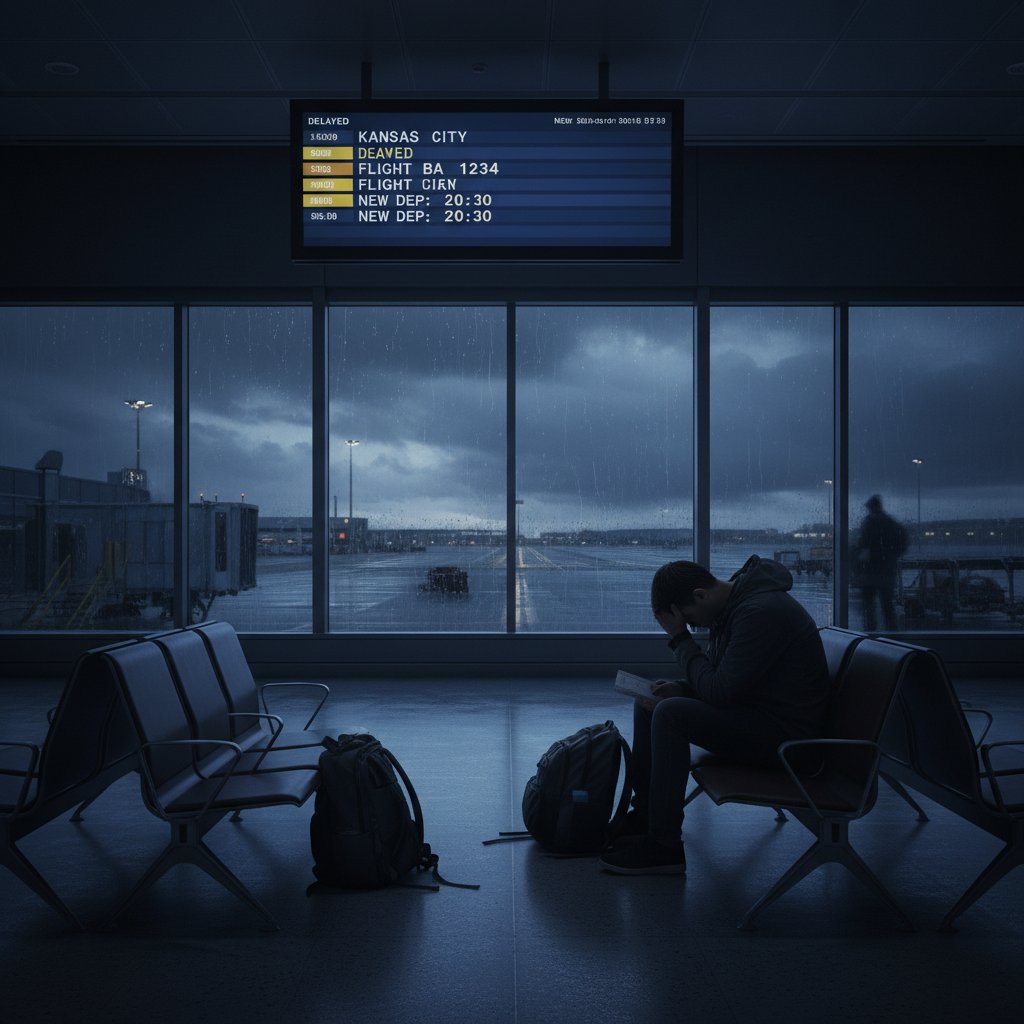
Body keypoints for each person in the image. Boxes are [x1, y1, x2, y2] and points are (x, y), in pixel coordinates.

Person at [599, 555, 831, 876]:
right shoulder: (737, 607)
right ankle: (646, 817)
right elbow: (728, 680)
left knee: (669, 714)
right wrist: (682, 687)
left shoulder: (759, 613)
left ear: (699, 595)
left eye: (691, 621)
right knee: (651, 701)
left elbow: (721, 690)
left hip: (789, 742)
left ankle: (664, 845)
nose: (696, 628)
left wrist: (681, 640)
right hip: (760, 719)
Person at [854, 494, 908, 631]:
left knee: (869, 608)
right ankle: (893, 635)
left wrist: (858, 565)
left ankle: (870, 636)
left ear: (871, 507)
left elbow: (861, 544)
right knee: (887, 606)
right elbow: (903, 542)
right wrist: (892, 556)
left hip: (870, 572)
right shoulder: (891, 523)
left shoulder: (869, 523)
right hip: (887, 571)